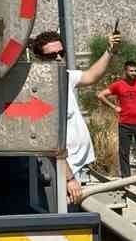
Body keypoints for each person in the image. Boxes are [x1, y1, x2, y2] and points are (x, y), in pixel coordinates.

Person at [31, 27, 120, 209]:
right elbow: (50, 143)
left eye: (61, 53)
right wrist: (69, 178)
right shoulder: (40, 91)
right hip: (61, 171)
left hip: (76, 167)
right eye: (51, 55)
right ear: (39, 59)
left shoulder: (65, 77)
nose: (58, 58)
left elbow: (91, 75)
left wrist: (110, 51)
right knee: (66, 218)